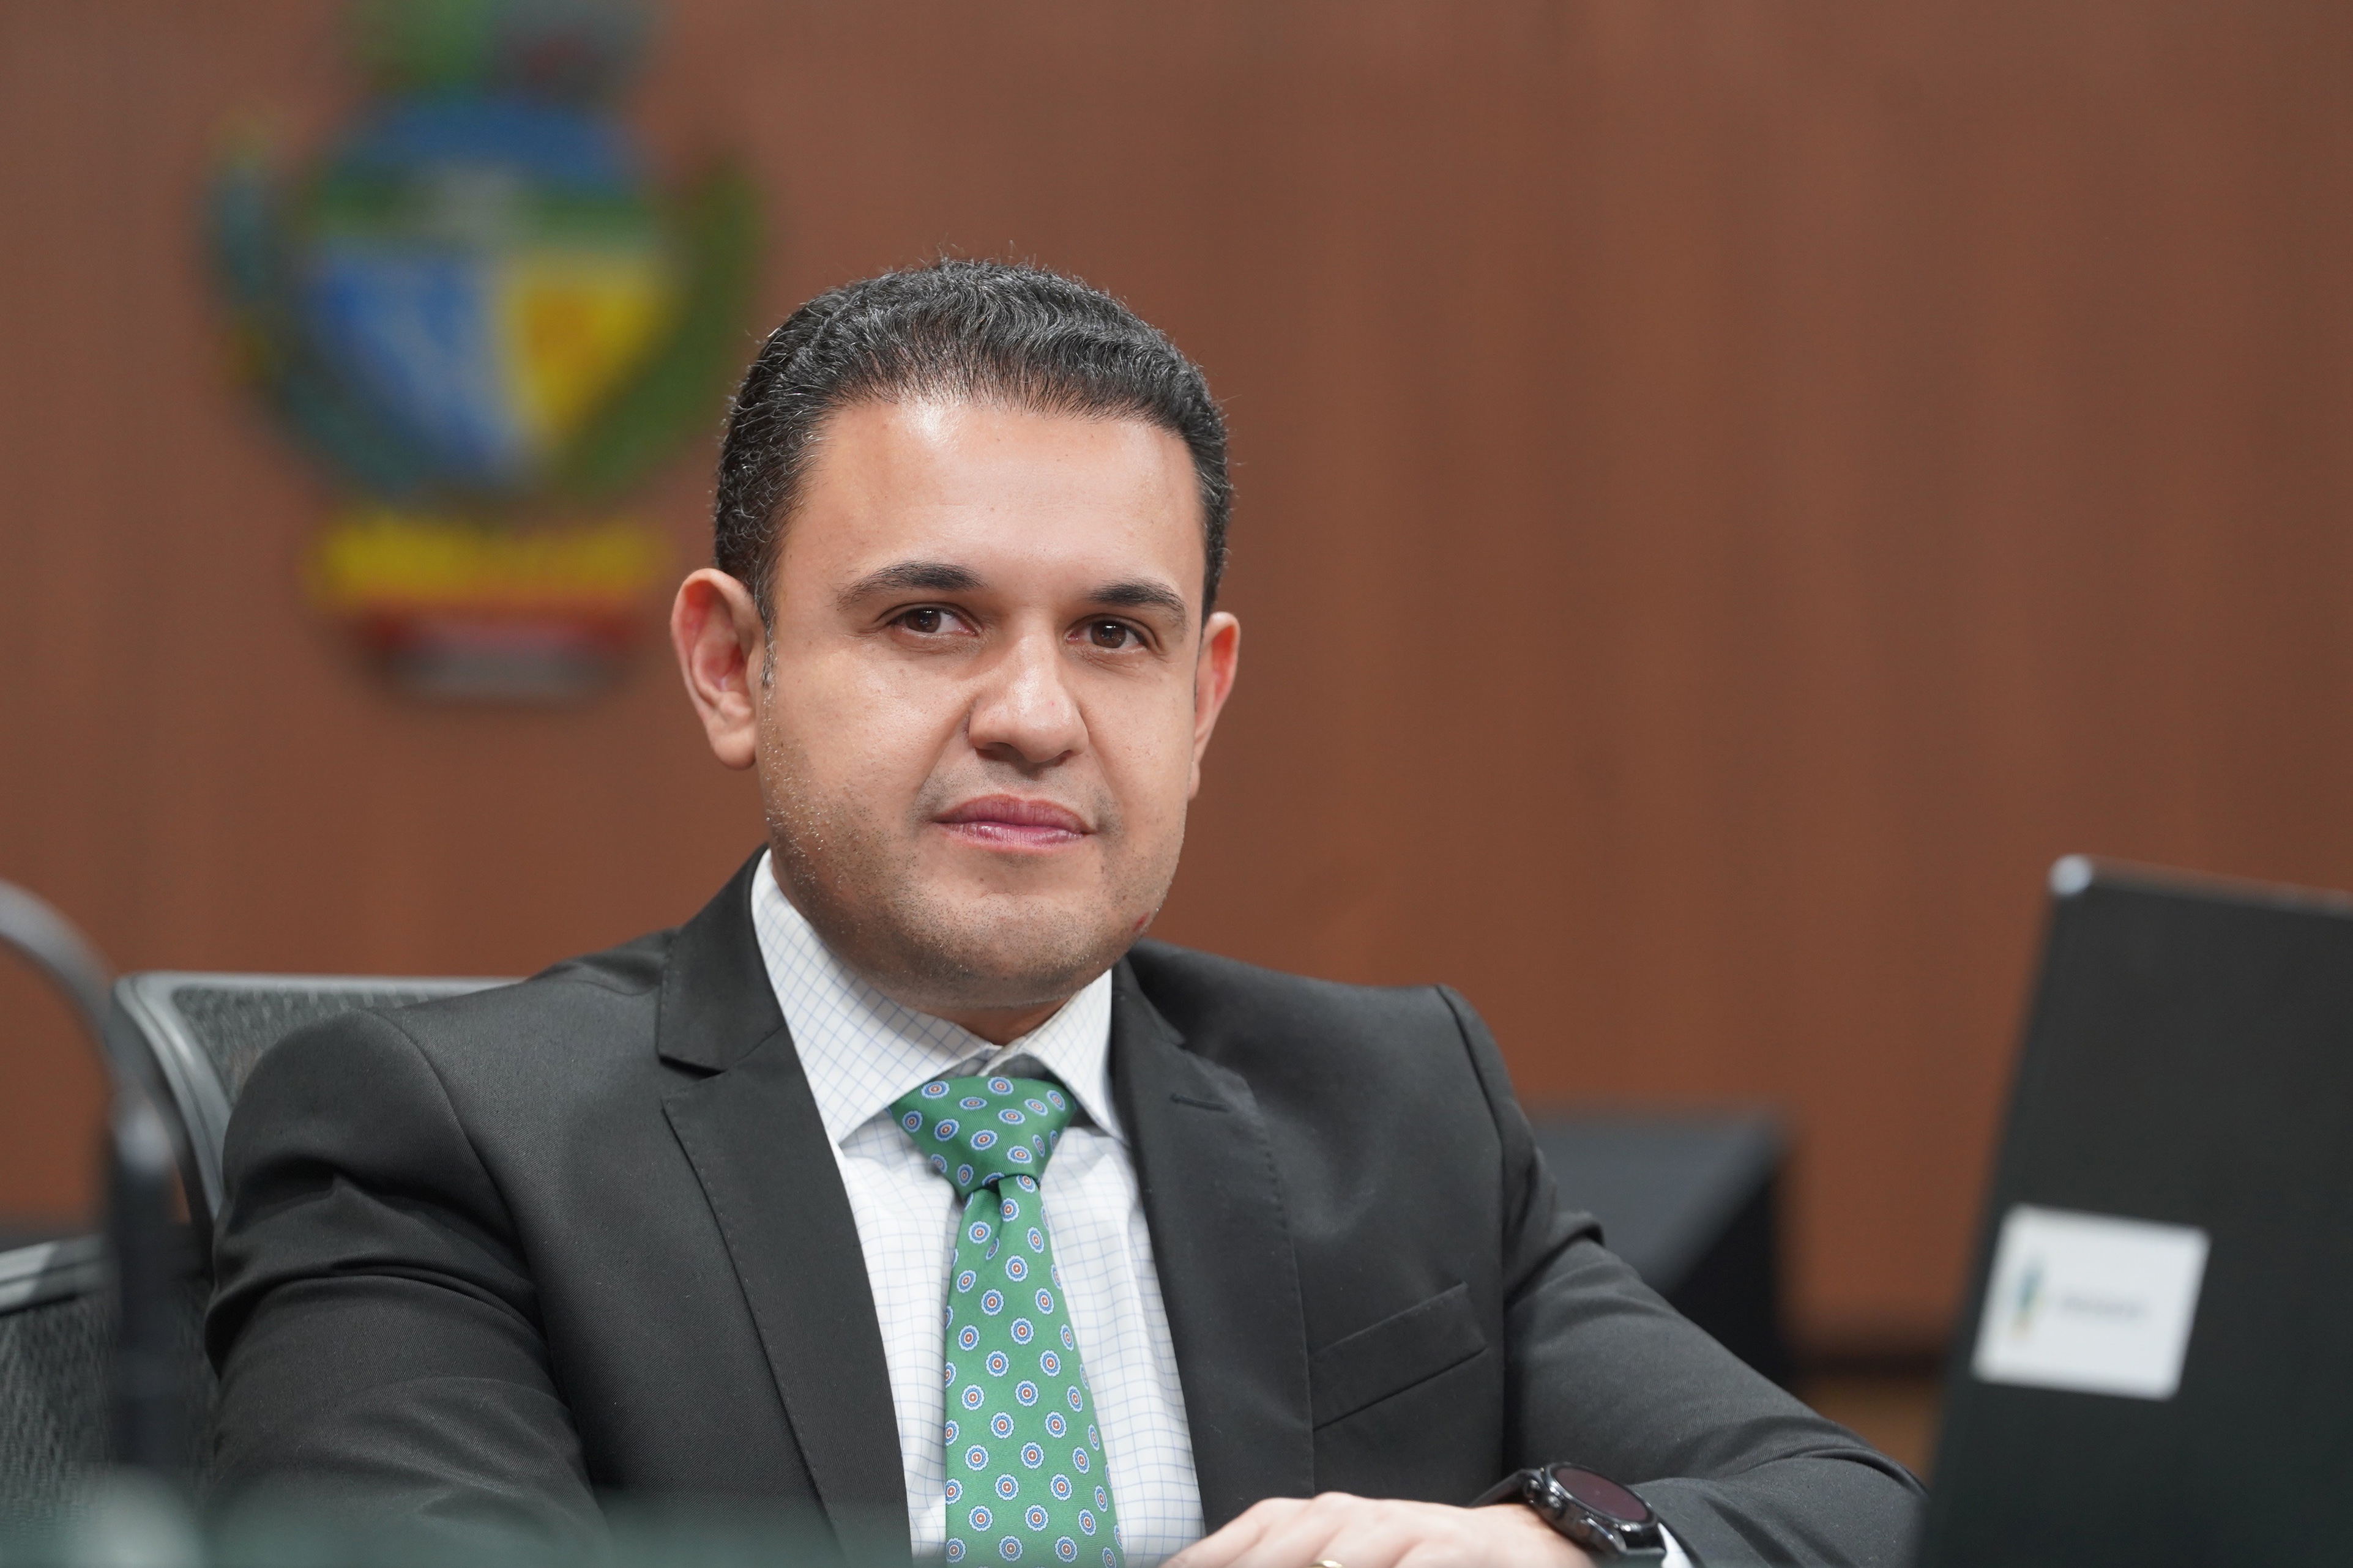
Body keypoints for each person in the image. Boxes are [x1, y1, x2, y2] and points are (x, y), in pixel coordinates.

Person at [207, 261, 1923, 1567]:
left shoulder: (1396, 1107)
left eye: (1116, 635)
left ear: (1205, 697)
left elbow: (1859, 1510)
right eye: (932, 620)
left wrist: (1558, 1552)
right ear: (733, 666)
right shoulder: (442, 1145)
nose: (1035, 716)